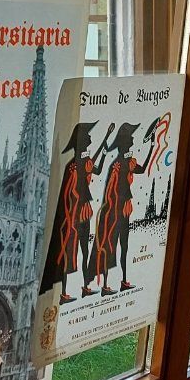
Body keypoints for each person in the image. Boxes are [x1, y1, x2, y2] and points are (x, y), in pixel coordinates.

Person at [43, 121, 102, 302]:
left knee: (85, 249)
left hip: (84, 213)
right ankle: (64, 293)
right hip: (73, 217)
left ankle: (85, 287)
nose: (91, 137)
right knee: (69, 255)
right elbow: (69, 193)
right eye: (88, 135)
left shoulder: (84, 162)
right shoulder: (73, 166)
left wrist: (104, 149)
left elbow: (96, 168)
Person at [91, 122, 140, 296]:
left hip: (124, 212)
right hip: (115, 213)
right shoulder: (118, 165)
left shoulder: (128, 162)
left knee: (124, 246)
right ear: (125, 141)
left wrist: (151, 143)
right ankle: (105, 285)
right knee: (110, 246)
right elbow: (110, 192)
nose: (133, 138)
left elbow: (142, 168)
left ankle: (123, 281)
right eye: (131, 136)